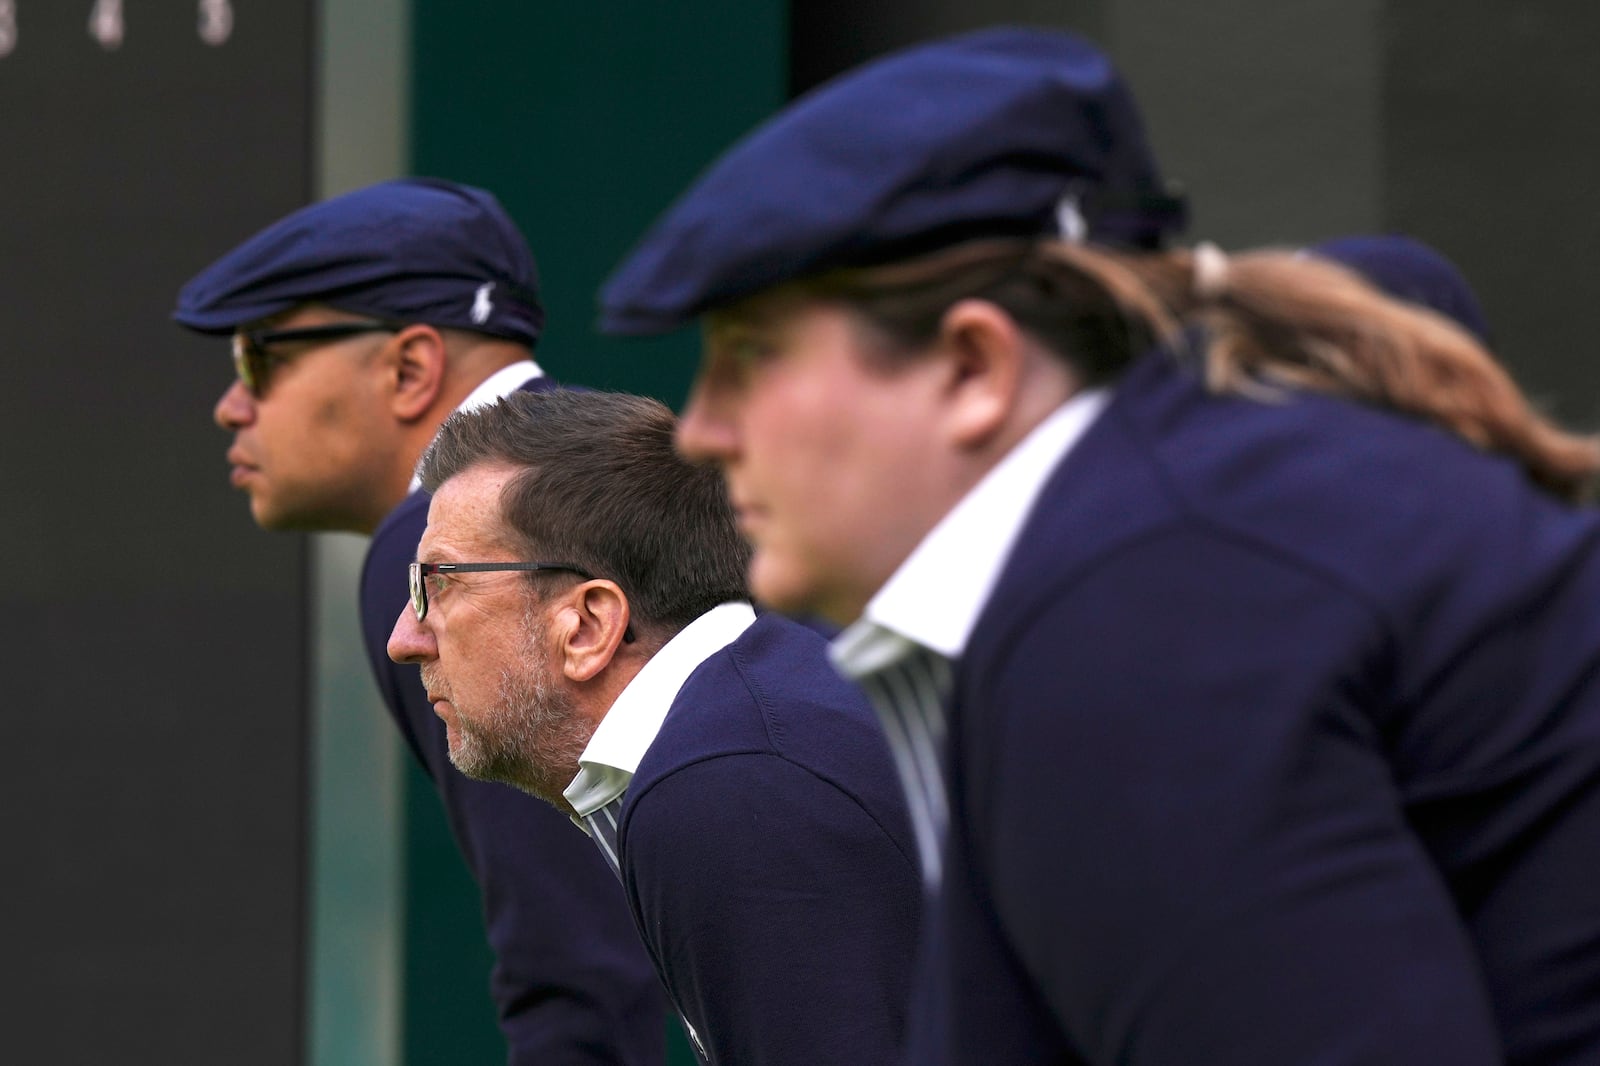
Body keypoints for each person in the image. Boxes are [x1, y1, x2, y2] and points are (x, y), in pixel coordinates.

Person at [596, 25, 1600, 1066]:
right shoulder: (1154, 541)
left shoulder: (1145, 616)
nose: (702, 430)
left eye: (749, 357)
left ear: (973, 367)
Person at [173, 178, 666, 1065]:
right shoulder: (603, 479)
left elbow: (581, 971)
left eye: (261, 358)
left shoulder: (446, 536)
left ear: (409, 369)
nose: (231, 404)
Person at [386, 388, 922, 1066]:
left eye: (439, 583)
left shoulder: (730, 784)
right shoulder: (742, 734)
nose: (405, 638)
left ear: (587, 626)